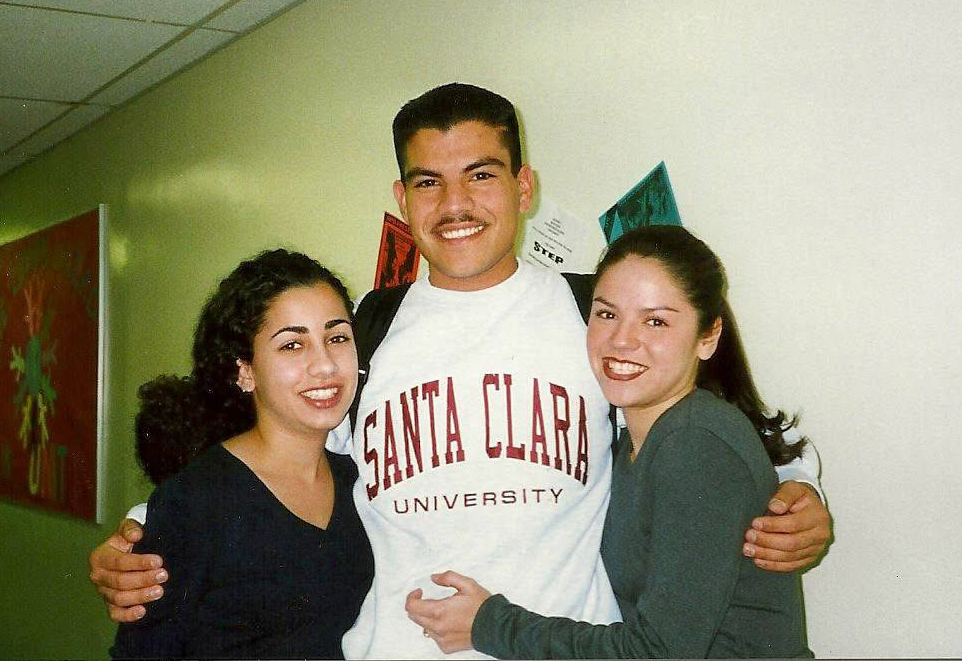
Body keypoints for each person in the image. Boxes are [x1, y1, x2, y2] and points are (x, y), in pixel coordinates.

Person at [89, 84, 831, 659]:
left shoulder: (595, 315)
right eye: (426, 182)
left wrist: (799, 499)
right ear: (401, 199)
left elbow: (708, 430)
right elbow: (270, 450)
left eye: (480, 174)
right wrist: (143, 530)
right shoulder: (364, 331)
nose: (455, 204)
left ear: (523, 186)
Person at [405, 225, 813, 657]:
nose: (622, 340)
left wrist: (487, 624)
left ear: (707, 337)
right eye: (607, 314)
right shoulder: (633, 443)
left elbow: (655, 653)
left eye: (655, 321)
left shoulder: (694, 442)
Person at [109, 249, 373, 658]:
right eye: (292, 345)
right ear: (244, 371)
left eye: (337, 337)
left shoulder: (361, 484)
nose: (324, 366)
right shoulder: (196, 500)